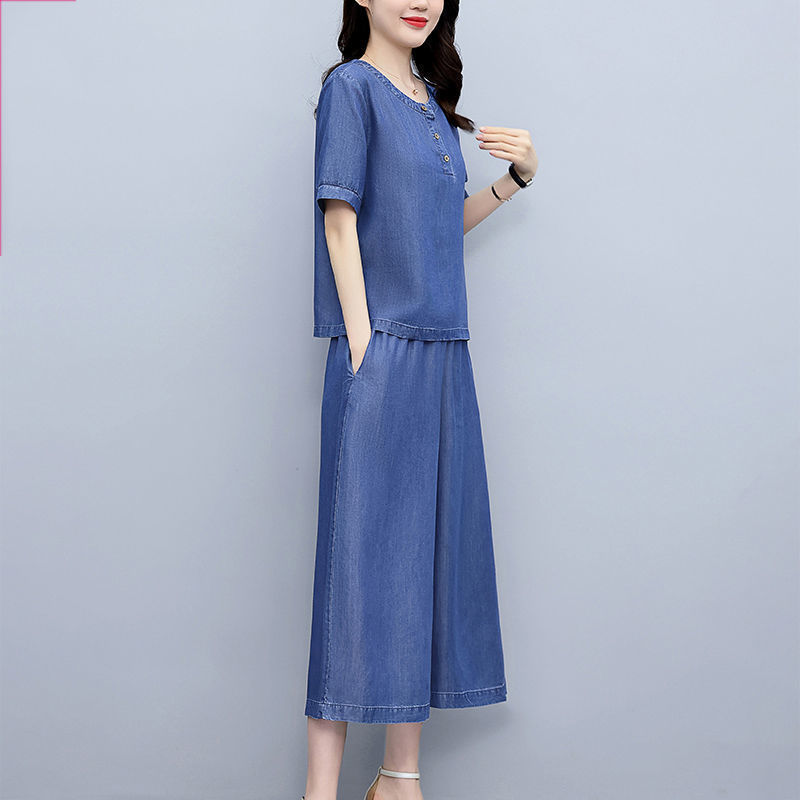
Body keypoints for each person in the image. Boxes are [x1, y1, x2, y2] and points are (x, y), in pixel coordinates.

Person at [303, 2, 538, 799]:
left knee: (423, 562)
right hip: (387, 350)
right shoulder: (351, 87)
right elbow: (341, 220)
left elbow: (437, 229)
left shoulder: (432, 103)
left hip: (444, 356)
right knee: (358, 569)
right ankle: (320, 791)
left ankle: (399, 778)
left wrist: (512, 182)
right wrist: (364, 346)